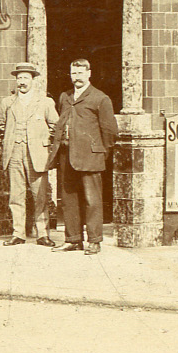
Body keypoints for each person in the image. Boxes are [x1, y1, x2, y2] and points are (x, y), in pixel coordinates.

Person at [49, 56, 116, 254]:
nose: (76, 77)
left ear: (89, 74)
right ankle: (73, 239)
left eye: (80, 73)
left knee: (92, 200)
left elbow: (110, 131)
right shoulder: (65, 97)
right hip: (67, 155)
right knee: (68, 198)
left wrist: (100, 153)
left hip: (90, 157)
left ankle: (94, 241)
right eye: (73, 73)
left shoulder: (100, 98)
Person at [0, 60, 58, 245]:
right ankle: (18, 234)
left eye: (25, 78)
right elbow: (0, 127)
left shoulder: (45, 102)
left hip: (37, 155)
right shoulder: (7, 102)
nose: (22, 82)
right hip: (14, 152)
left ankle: (43, 234)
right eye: (19, 78)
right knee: (16, 195)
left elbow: (56, 126)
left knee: (40, 196)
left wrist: (44, 143)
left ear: (33, 80)